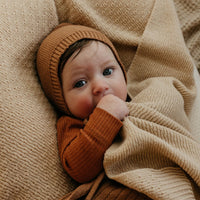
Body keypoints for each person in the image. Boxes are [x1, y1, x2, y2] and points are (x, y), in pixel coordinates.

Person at [36, 23, 129, 183]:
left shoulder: (141, 95)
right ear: (61, 100)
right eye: (80, 83)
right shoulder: (72, 125)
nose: (100, 86)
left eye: (107, 72)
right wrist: (106, 116)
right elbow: (80, 169)